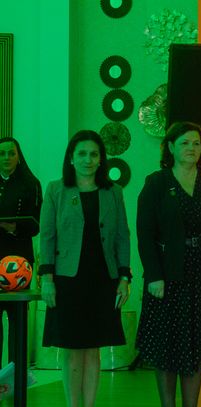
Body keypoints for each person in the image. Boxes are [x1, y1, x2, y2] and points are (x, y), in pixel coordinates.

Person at [136, 121, 201, 407]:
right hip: (167, 276)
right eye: (184, 143)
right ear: (170, 147)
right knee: (166, 347)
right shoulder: (156, 182)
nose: (191, 148)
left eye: (196, 143)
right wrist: (154, 275)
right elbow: (145, 233)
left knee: (196, 347)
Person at [39, 130, 131, 407]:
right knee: (71, 349)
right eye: (82, 154)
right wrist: (47, 279)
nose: (88, 159)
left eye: (93, 154)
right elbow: (47, 236)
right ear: (71, 158)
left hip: (103, 279)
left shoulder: (113, 192)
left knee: (93, 349)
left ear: (101, 159)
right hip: (67, 281)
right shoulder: (55, 190)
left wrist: (124, 277)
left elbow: (122, 237)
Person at [0, 137, 42, 364]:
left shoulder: (30, 183)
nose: (6, 157)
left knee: (17, 319)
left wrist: (13, 227)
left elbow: (36, 225)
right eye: (2, 153)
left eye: (11, 153)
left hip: (19, 261)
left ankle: (16, 375)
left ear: (19, 156)